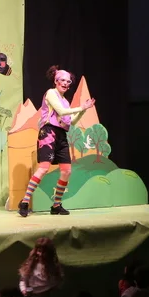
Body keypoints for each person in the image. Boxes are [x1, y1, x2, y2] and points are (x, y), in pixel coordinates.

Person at [17, 65, 95, 216]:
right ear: (56, 81)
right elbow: (61, 112)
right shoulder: (51, 93)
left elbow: (71, 121)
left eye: (68, 81)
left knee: (66, 171)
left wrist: (84, 109)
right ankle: (25, 202)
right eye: (62, 80)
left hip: (61, 135)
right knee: (44, 168)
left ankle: (56, 205)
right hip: (48, 132)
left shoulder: (65, 101)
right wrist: (81, 107)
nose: (65, 83)